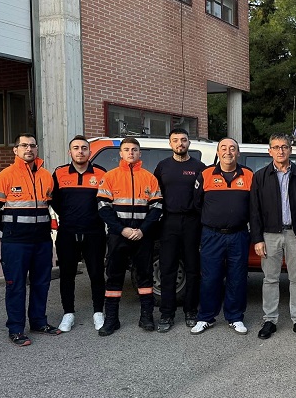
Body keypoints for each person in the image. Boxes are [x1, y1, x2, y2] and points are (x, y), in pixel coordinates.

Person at [0, 133, 61, 346]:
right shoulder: (5, 176)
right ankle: (16, 328)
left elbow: (51, 204)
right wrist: (9, 228)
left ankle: (38, 321)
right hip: (16, 243)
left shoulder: (46, 176)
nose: (29, 149)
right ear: (16, 150)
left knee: (41, 283)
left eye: (32, 145)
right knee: (16, 285)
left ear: (37, 149)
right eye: (24, 145)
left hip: (42, 241)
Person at [251, 133, 296, 340]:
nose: (280, 151)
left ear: (290, 150)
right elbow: (255, 210)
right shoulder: (260, 176)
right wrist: (257, 239)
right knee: (270, 279)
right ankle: (269, 320)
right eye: (276, 147)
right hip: (270, 235)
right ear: (270, 151)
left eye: (284, 147)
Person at [96, 138, 163, 336]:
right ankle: (111, 319)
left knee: (145, 276)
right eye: (126, 150)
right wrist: (121, 229)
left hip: (143, 235)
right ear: (121, 153)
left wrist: (143, 229)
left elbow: (157, 207)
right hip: (119, 235)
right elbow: (103, 207)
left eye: (134, 150)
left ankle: (146, 317)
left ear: (140, 153)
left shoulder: (149, 178)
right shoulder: (110, 177)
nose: (131, 153)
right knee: (114, 276)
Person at [190, 138, 254, 335]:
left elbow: (254, 207)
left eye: (232, 148)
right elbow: (196, 204)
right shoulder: (206, 174)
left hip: (239, 235)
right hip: (212, 235)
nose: (228, 152)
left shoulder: (249, 175)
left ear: (238, 153)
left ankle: (235, 317)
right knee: (210, 278)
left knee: (237, 278)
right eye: (224, 148)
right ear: (218, 152)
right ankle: (205, 317)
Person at [51, 135, 107, 333]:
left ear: (89, 152)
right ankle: (68, 313)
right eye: (76, 148)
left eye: (84, 148)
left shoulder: (101, 173)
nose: (80, 151)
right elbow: (53, 200)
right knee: (67, 275)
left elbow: (106, 201)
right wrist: (68, 215)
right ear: (70, 152)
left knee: (97, 273)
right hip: (67, 231)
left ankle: (98, 312)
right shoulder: (59, 173)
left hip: (94, 232)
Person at [153, 128, 206, 332]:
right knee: (168, 269)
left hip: (193, 222)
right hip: (169, 222)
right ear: (170, 144)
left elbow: (203, 196)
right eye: (175, 140)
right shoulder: (163, 167)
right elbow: (156, 194)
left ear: (188, 143)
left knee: (193, 269)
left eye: (183, 140)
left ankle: (191, 311)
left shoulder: (199, 167)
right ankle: (167, 314)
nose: (180, 144)